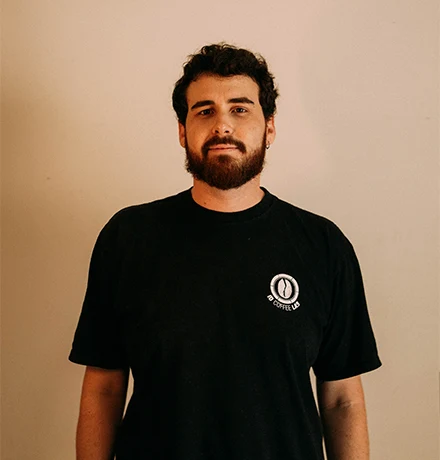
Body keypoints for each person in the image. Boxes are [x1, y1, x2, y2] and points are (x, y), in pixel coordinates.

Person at [69, 43, 381, 460]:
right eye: (204, 111)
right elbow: (104, 386)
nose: (222, 126)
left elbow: (342, 398)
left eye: (240, 109)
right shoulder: (128, 237)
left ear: (269, 128)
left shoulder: (323, 245)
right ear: (182, 131)